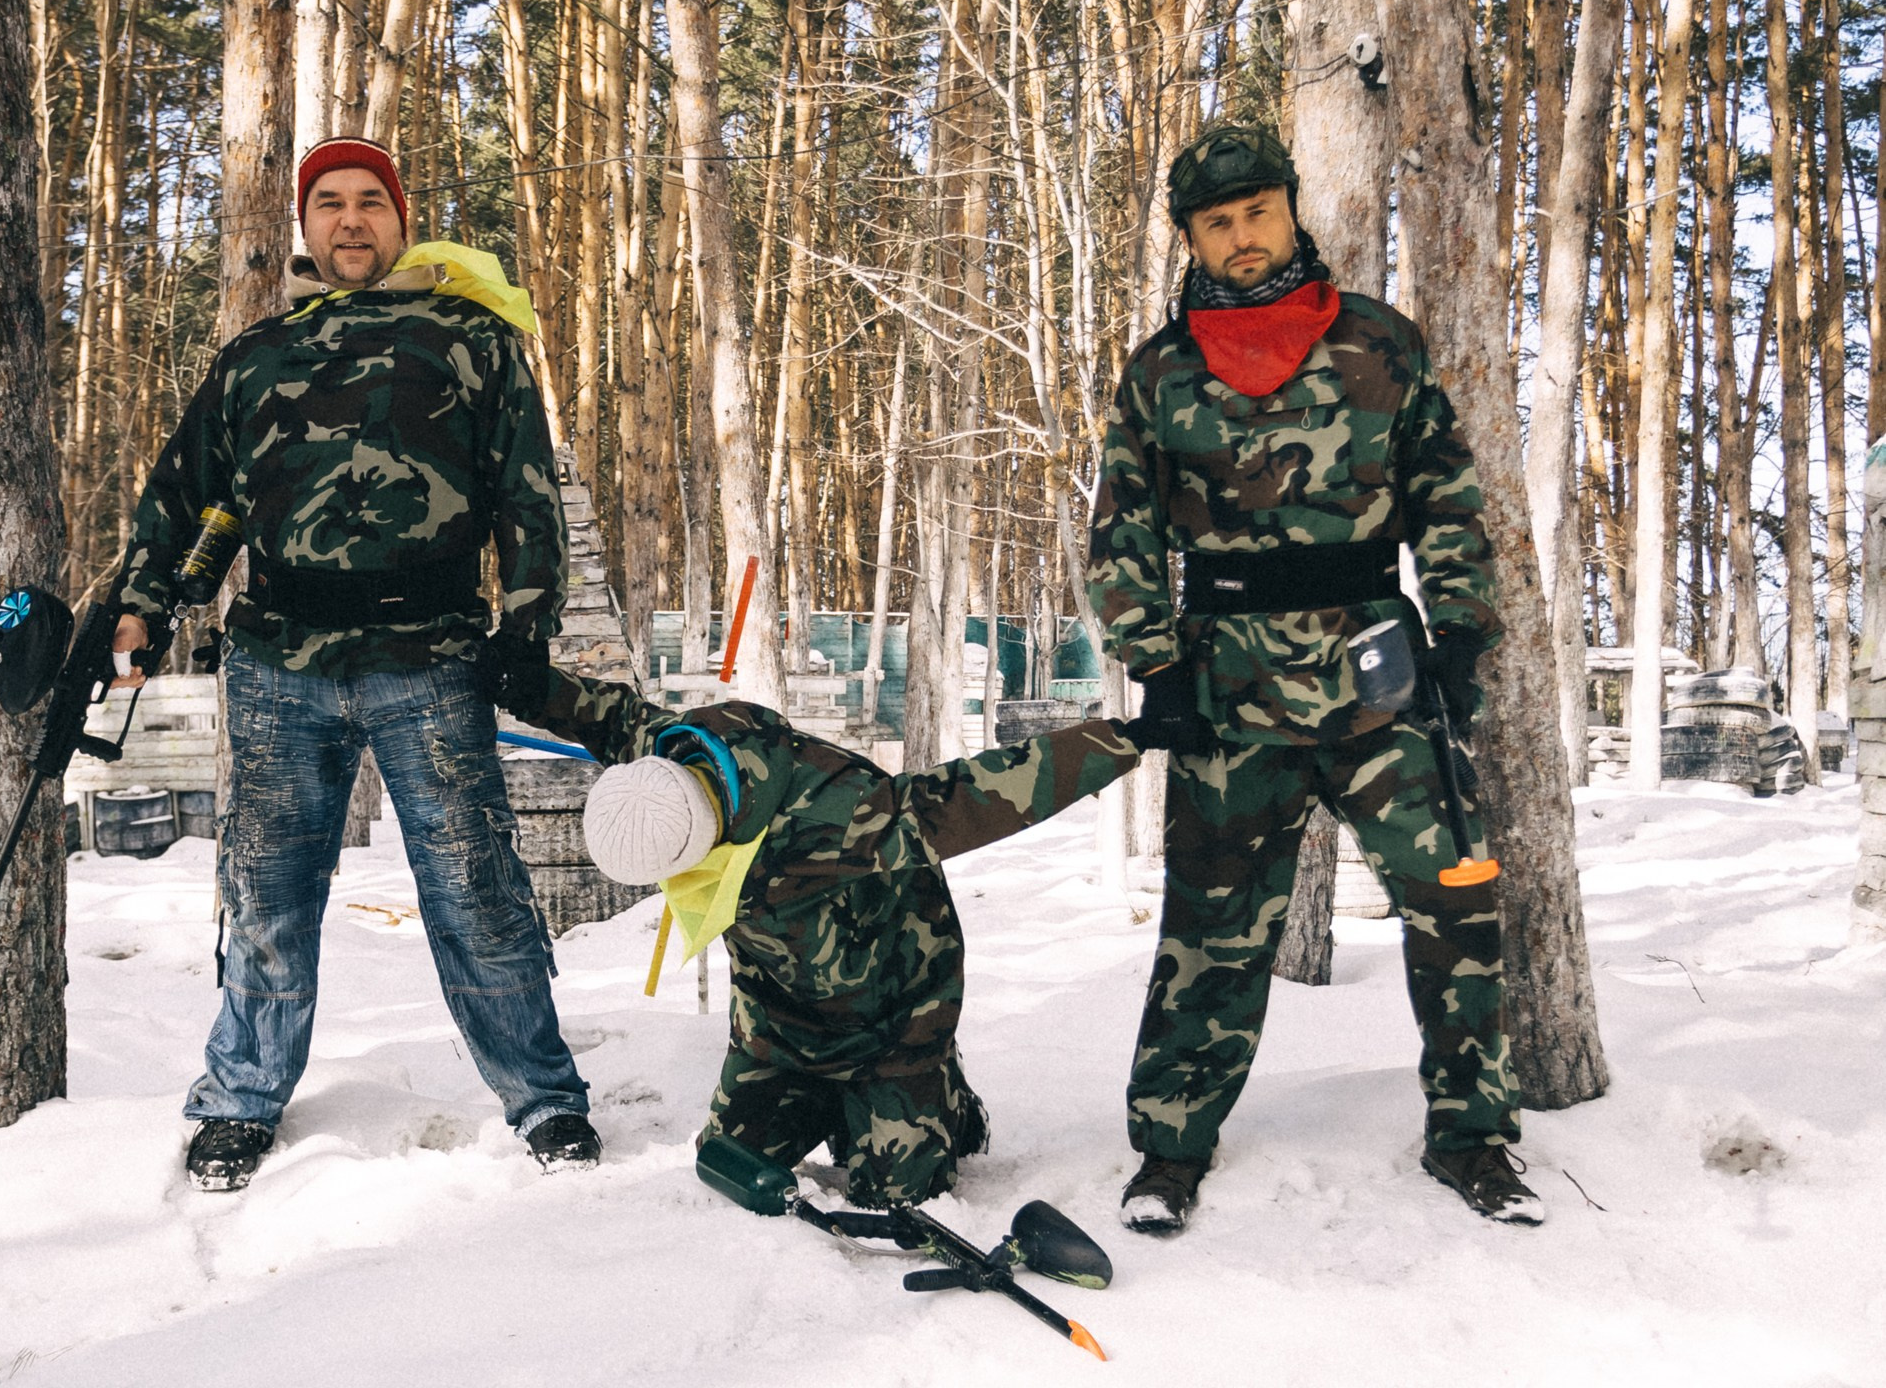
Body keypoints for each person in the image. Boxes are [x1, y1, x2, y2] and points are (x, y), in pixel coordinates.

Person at [110, 135, 597, 1191]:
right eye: (327, 203)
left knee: (478, 889)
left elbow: (525, 494)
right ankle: (241, 1098)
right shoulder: (256, 357)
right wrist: (142, 604)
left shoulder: (468, 339)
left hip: (429, 657)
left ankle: (546, 1098)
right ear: (305, 225)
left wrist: (527, 620)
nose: (349, 221)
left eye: (369, 201)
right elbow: (188, 496)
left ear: (400, 215)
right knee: (266, 891)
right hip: (280, 661)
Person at [1084, 123, 1537, 1234]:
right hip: (1230, 687)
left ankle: (1473, 1134)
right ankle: (1170, 1149)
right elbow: (1121, 527)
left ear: (1291, 207)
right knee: (1211, 930)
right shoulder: (1160, 373)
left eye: (1259, 213)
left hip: (1378, 678)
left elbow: (1448, 498)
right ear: (1192, 237)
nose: (1243, 239)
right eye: (1218, 224)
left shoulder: (1384, 343)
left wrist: (1462, 634)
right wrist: (1157, 662)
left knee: (1455, 900)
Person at [497, 661, 1159, 1208]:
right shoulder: (670, 762)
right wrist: (522, 681)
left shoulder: (848, 814)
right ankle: (827, 1102)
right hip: (779, 1031)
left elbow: (995, 789)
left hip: (889, 1022)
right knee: (727, 1165)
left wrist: (1126, 739)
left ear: (707, 840)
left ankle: (940, 1099)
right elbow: (609, 715)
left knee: (897, 1194)